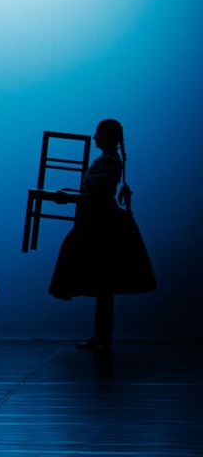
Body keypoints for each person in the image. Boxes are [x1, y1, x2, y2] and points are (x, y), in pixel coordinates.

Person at [48, 118, 156, 350]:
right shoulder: (106, 160)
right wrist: (70, 193)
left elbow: (98, 195)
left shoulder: (111, 162)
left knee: (104, 281)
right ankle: (102, 336)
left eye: (98, 133)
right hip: (97, 220)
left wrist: (70, 197)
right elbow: (92, 192)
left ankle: (103, 336)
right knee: (102, 283)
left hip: (103, 223)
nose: (95, 137)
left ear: (108, 137)